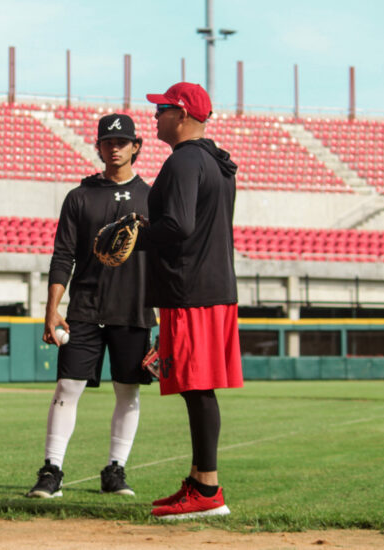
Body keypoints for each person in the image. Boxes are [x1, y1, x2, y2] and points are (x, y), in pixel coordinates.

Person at [26, 114, 156, 499]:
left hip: (133, 310)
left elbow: (167, 262)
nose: (114, 147)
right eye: (107, 141)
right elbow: (62, 255)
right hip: (84, 308)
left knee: (128, 392)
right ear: (98, 147)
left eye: (122, 141)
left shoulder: (153, 198)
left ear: (136, 146)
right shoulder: (79, 196)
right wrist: (52, 309)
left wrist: (167, 318)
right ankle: (52, 469)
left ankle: (115, 470)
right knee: (67, 387)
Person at [137, 83, 243, 520]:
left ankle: (208, 490)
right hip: (211, 286)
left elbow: (178, 226)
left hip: (191, 290)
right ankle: (201, 481)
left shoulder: (184, 160)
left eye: (161, 109)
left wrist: (138, 234)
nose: (155, 116)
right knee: (197, 388)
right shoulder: (213, 161)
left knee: (197, 389)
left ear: (181, 115)